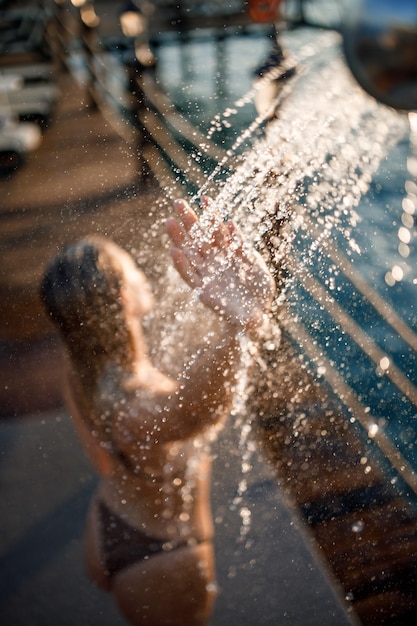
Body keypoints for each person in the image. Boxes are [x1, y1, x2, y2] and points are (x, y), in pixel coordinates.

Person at [40, 197, 275, 626]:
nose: (144, 275)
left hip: (110, 523)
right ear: (123, 294)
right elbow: (191, 411)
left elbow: (103, 460)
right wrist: (245, 323)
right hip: (157, 556)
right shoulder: (133, 401)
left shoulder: (80, 368)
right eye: (133, 268)